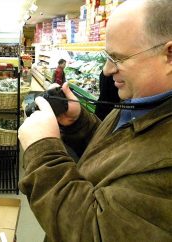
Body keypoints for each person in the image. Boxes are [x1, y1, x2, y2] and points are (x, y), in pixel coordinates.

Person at [18, 0, 172, 241]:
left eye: (118, 59)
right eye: (106, 57)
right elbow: (119, 155)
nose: (108, 71)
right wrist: (79, 123)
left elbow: (96, 232)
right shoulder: (141, 101)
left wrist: (43, 151)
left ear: (169, 55)